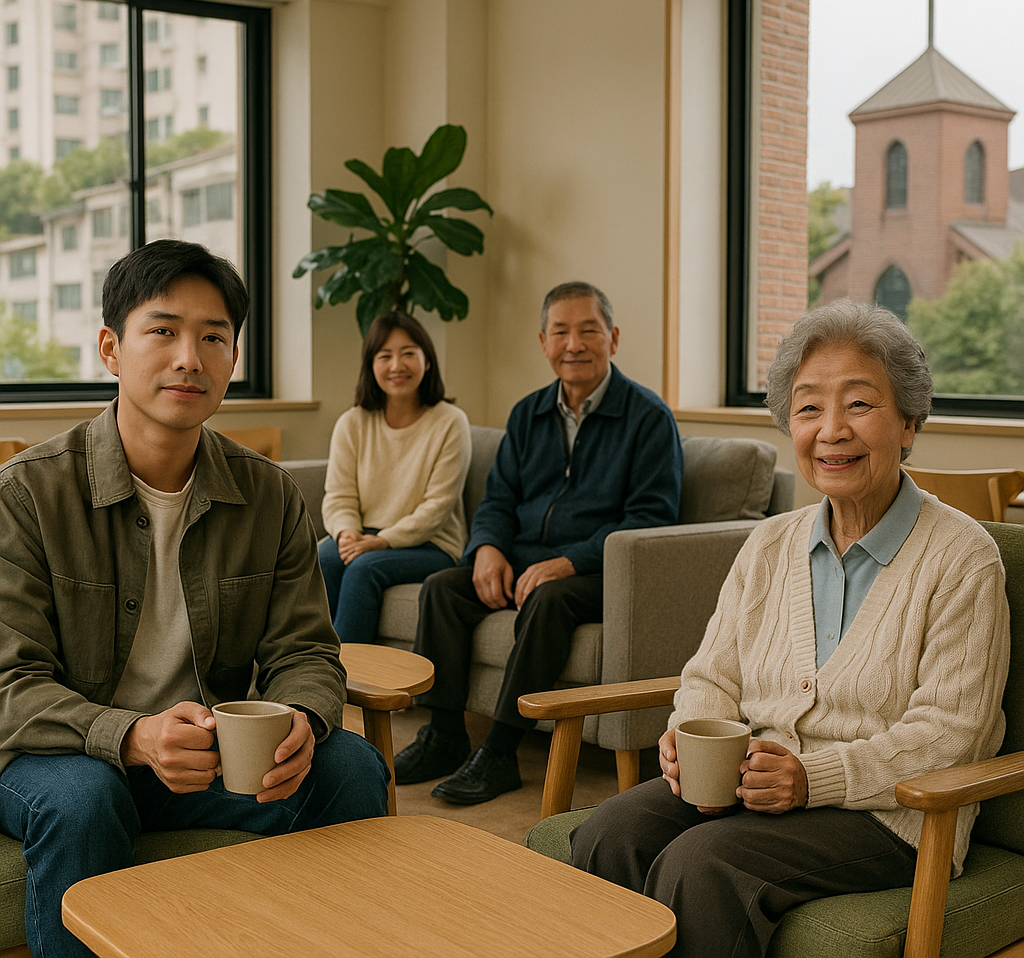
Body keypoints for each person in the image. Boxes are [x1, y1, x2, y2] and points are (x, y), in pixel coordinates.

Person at [570, 299, 1011, 958]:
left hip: (893, 816)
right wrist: (689, 739)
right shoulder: (770, 543)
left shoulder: (961, 556)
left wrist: (812, 778)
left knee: (703, 865)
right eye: (808, 408)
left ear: (910, 422)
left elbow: (951, 734)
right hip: (757, 785)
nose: (831, 430)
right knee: (610, 832)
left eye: (860, 405)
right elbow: (710, 675)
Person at [0, 239, 390, 958]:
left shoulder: (267, 493)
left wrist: (302, 717)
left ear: (232, 362)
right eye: (164, 331)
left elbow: (305, 649)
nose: (190, 357)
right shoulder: (28, 494)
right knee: (85, 800)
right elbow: (11, 686)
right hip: (61, 753)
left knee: (351, 767)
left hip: (209, 755)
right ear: (111, 349)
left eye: (214, 337)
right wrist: (133, 736)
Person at [394, 281, 684, 805]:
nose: (574, 344)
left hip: (600, 571)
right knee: (442, 587)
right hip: (526, 557)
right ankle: (444, 734)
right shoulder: (527, 414)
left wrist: (569, 561)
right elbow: (498, 499)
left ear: (613, 338)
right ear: (544, 342)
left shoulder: (648, 418)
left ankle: (501, 751)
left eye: (589, 330)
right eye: (561, 332)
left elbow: (650, 518)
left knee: (547, 600)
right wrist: (487, 548)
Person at [317, 311, 471, 642]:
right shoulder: (353, 422)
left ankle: (349, 687)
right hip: (366, 534)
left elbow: (438, 507)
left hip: (432, 544)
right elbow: (339, 495)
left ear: (427, 361)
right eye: (384, 356)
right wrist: (346, 534)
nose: (396, 365)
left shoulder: (450, 422)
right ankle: (306, 669)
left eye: (408, 354)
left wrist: (382, 541)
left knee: (363, 569)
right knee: (323, 557)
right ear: (371, 366)